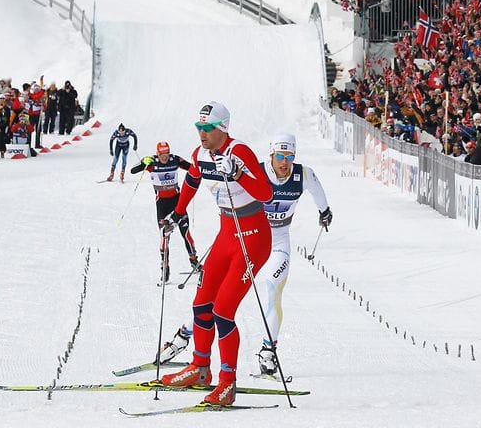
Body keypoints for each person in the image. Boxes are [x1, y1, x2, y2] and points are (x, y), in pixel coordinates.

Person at [160, 102, 274, 407]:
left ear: (222, 128)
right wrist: (178, 212)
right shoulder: (200, 154)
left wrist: (237, 174)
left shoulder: (241, 152)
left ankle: (227, 382)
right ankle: (200, 368)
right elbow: (193, 178)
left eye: (208, 129)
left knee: (223, 310)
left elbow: (266, 193)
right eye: (199, 128)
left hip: (253, 238)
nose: (202, 134)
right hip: (227, 233)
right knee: (202, 304)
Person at [256, 133, 332, 376]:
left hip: (279, 241)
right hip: (253, 240)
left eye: (290, 156)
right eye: (280, 156)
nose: (285, 162)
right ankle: (190, 334)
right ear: (271, 155)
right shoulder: (257, 172)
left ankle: (269, 350)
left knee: (273, 290)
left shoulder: (302, 174)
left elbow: (317, 189)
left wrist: (325, 211)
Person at [130, 141, 198, 281]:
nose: (165, 158)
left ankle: (194, 261)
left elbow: (192, 169)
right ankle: (165, 268)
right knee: (164, 238)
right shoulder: (152, 163)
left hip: (178, 202)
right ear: (158, 154)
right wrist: (143, 162)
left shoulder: (174, 159)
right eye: (162, 155)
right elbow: (133, 170)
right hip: (162, 205)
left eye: (166, 154)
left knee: (185, 233)